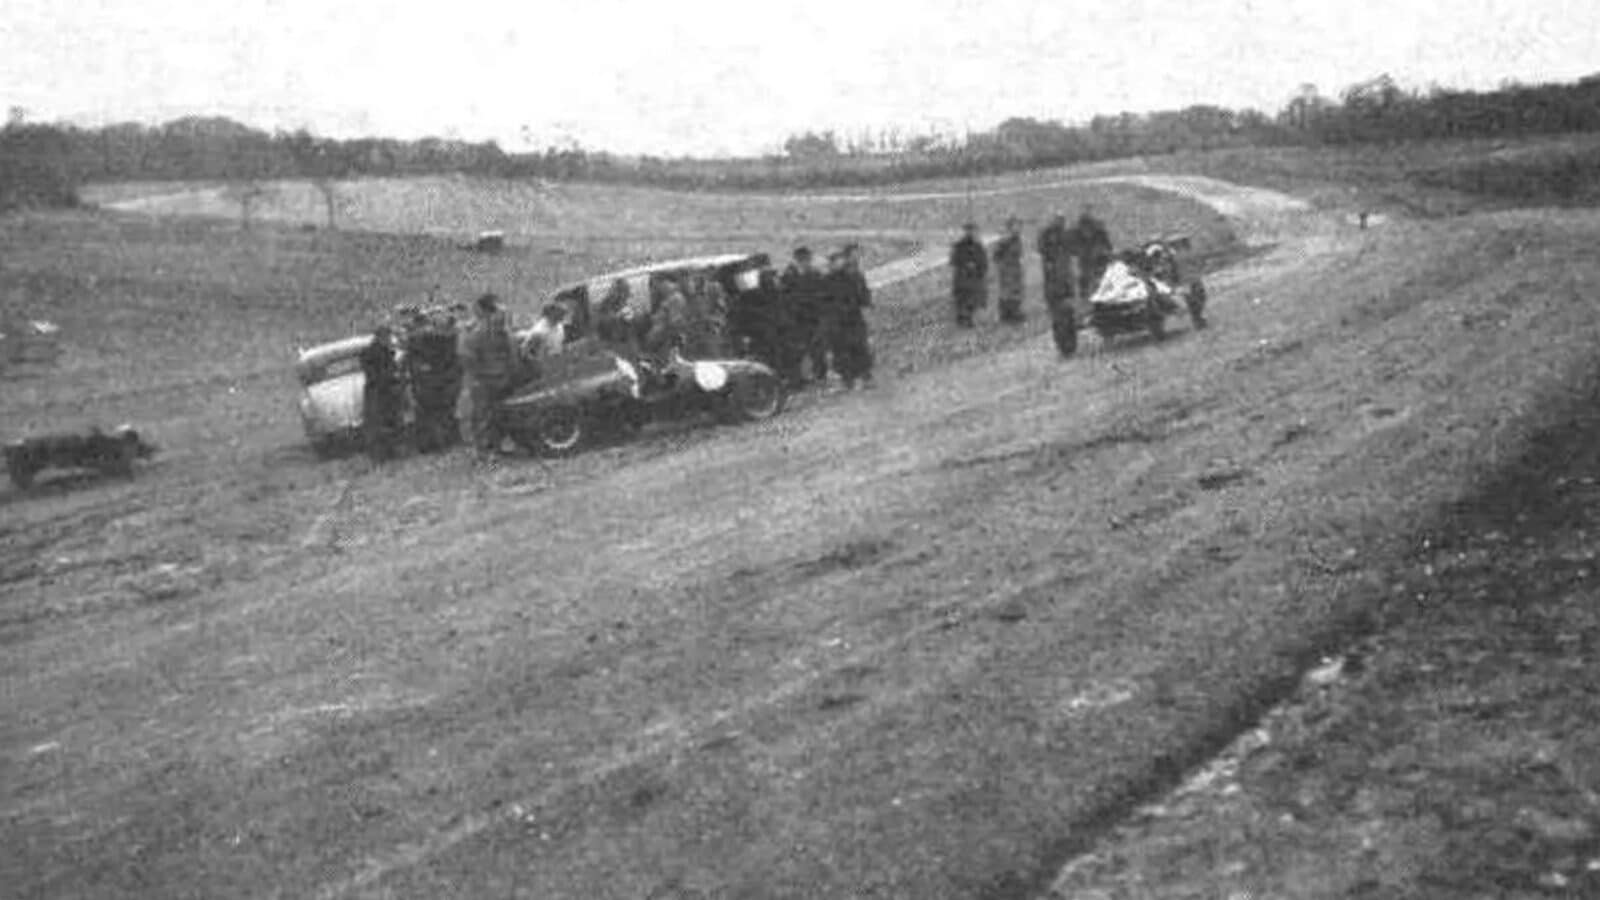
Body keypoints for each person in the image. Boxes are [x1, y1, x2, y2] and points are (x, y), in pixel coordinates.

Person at [460, 292, 516, 458]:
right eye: (497, 311)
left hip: (499, 376)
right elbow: (467, 358)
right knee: (484, 415)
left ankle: (496, 446)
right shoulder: (479, 332)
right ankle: (484, 450)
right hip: (486, 379)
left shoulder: (500, 329)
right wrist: (480, 374)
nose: (502, 314)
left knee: (497, 413)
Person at [403, 307, 463, 453]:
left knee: (431, 415)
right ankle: (443, 441)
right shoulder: (441, 339)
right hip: (436, 383)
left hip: (428, 383)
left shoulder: (419, 341)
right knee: (442, 414)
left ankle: (432, 443)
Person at [827, 244, 874, 390]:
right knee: (843, 349)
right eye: (834, 260)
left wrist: (867, 302)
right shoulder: (832, 277)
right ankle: (848, 379)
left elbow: (862, 293)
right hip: (839, 320)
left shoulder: (854, 274)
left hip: (854, 317)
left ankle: (863, 376)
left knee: (860, 345)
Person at [780, 247, 829, 385]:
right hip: (797, 319)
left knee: (818, 349)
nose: (805, 263)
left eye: (807, 260)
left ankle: (820, 375)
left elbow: (823, 295)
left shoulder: (814, 275)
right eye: (803, 260)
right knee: (798, 350)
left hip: (814, 318)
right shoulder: (789, 276)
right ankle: (798, 378)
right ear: (797, 260)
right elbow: (785, 298)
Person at [359, 324, 405, 461]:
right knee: (379, 425)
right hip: (378, 392)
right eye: (386, 336)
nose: (389, 339)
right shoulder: (371, 352)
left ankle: (391, 451)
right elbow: (375, 374)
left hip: (386, 392)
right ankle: (381, 454)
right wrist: (391, 375)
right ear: (380, 337)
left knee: (391, 422)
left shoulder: (386, 351)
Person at [1037, 214, 1077, 357]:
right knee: (1061, 319)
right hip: (1056, 288)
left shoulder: (1063, 245)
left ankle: (1068, 347)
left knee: (1066, 318)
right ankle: (1065, 347)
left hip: (1062, 286)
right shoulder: (1050, 249)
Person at [949, 222, 988, 327]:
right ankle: (962, 318)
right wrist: (966, 265)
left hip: (974, 278)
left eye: (973, 230)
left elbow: (984, 262)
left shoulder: (979, 246)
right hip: (963, 278)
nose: (971, 233)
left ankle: (969, 317)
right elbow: (954, 260)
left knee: (973, 299)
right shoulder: (959, 246)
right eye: (968, 230)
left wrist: (979, 269)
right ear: (965, 232)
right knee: (962, 298)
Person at [993, 217, 1026, 324]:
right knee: (1006, 291)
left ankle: (1015, 312)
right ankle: (1005, 314)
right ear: (1010, 227)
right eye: (1015, 226)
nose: (1017, 228)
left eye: (1019, 226)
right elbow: (996, 256)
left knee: (1016, 290)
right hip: (1007, 269)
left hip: (1015, 269)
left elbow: (1019, 254)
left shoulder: (1018, 240)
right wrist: (1002, 266)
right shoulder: (1005, 240)